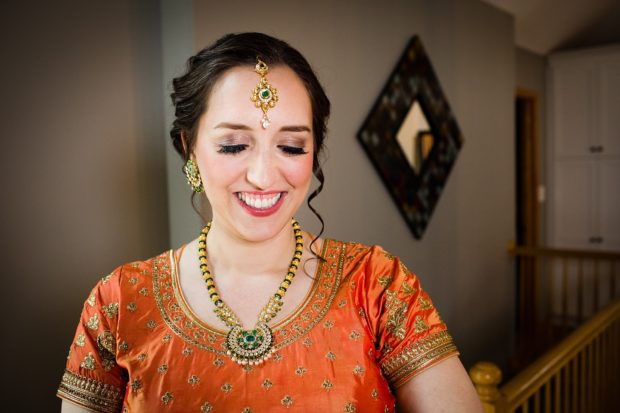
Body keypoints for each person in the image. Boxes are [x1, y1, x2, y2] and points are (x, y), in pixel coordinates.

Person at [58, 32, 483, 413]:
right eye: (234, 145)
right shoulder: (117, 302)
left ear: (314, 152)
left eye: (291, 146)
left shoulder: (378, 286)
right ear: (189, 149)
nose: (263, 176)